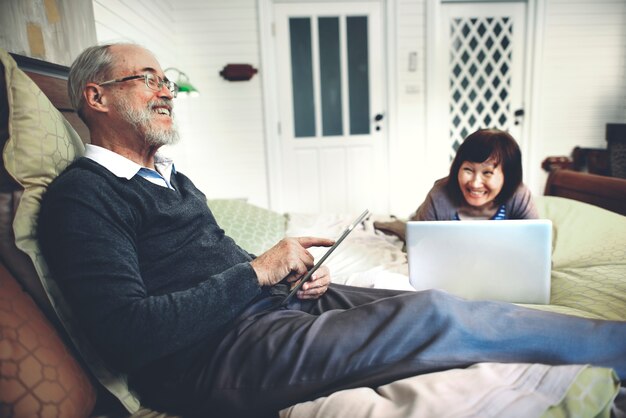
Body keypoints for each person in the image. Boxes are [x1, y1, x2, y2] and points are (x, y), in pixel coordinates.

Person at [37, 43, 626, 418]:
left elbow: (216, 260)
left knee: (425, 301)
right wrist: (259, 271)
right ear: (97, 97)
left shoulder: (172, 179)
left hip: (265, 310)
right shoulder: (83, 196)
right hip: (208, 358)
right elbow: (126, 335)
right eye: (148, 78)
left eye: (166, 79)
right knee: (434, 322)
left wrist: (286, 276)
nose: (166, 90)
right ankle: (616, 345)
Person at [374, 129, 538, 241]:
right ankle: (391, 223)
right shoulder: (439, 194)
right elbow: (419, 245)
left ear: (508, 176)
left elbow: (538, 252)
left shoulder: (520, 195)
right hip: (423, 218)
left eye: (487, 173)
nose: (475, 183)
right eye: (468, 169)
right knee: (406, 230)